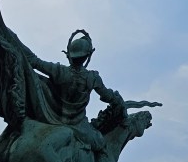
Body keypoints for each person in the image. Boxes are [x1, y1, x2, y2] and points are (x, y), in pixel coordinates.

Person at [25, 29, 160, 155]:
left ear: (69, 54)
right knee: (100, 143)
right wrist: (118, 100)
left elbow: (34, 61)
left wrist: (14, 39)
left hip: (52, 118)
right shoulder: (92, 78)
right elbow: (108, 96)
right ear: (88, 55)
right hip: (79, 126)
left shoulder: (59, 71)